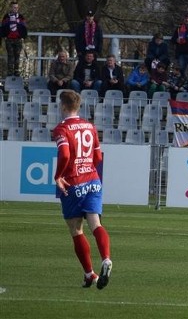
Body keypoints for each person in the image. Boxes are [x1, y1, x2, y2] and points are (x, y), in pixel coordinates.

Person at [51, 90, 113, 289]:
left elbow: (65, 155)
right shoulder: (89, 125)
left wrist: (58, 175)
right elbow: (98, 158)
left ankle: (89, 274)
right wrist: (88, 169)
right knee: (95, 223)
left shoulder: (61, 129)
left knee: (76, 229)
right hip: (93, 180)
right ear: (78, 106)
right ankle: (105, 259)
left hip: (73, 182)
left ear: (62, 106)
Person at [1, 1, 28, 76]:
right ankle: (10, 71)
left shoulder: (20, 17)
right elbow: (3, 26)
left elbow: (24, 27)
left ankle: (16, 71)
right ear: (10, 7)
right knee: (10, 55)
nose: (15, 9)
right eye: (13, 7)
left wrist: (23, 36)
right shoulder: (6, 16)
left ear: (18, 8)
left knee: (17, 55)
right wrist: (4, 36)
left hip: (18, 39)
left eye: (16, 7)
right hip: (9, 39)